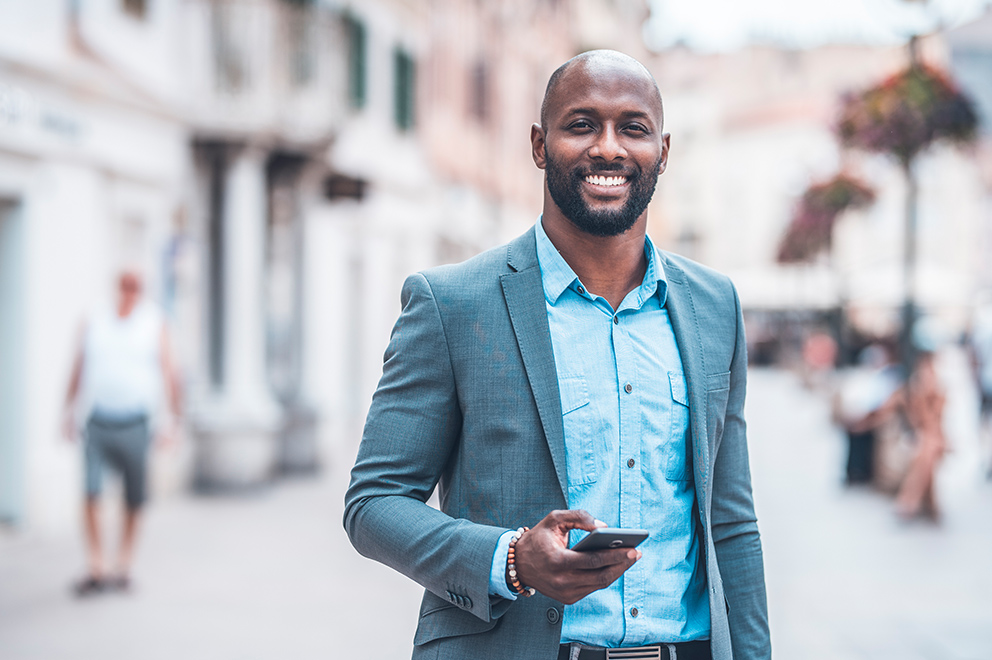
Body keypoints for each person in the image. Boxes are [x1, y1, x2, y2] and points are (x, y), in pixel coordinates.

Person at [345, 50, 769, 659]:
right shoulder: (453, 304)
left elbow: (731, 523)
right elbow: (374, 503)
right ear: (540, 145)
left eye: (633, 128)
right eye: (581, 125)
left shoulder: (714, 305)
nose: (608, 148)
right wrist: (509, 560)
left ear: (664, 151)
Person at [62, 270, 182, 596]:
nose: (130, 291)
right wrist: (67, 411)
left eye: (136, 286)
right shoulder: (94, 318)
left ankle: (124, 563)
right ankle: (96, 564)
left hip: (136, 421)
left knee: (134, 496)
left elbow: (171, 371)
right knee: (90, 491)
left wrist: (172, 421)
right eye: (125, 285)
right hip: (98, 418)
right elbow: (79, 365)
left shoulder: (155, 322)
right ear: (117, 286)